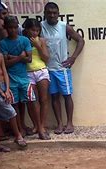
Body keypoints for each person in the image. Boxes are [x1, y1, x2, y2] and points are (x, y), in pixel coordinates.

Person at [41, 1, 85, 135]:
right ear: (45, 14)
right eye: (49, 13)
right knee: (54, 97)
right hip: (48, 69)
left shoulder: (63, 26)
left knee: (66, 96)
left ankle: (70, 123)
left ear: (58, 14)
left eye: (55, 13)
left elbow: (80, 40)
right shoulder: (41, 27)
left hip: (62, 68)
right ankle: (59, 123)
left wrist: (73, 57)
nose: (52, 15)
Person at [0, 16, 40, 140]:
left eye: (14, 27)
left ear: (18, 26)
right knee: (15, 105)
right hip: (11, 80)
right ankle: (20, 129)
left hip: (24, 78)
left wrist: (12, 57)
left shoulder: (24, 40)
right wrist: (19, 57)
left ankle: (40, 128)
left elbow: (29, 59)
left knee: (32, 102)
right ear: (5, 28)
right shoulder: (3, 43)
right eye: (10, 28)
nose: (12, 30)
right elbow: (5, 64)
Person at [22, 18, 51, 140]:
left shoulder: (42, 40)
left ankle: (42, 126)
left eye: (37, 30)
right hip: (28, 73)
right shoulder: (22, 40)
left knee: (44, 99)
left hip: (41, 71)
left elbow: (46, 58)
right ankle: (36, 125)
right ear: (27, 30)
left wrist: (37, 46)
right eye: (33, 30)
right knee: (32, 101)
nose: (35, 33)